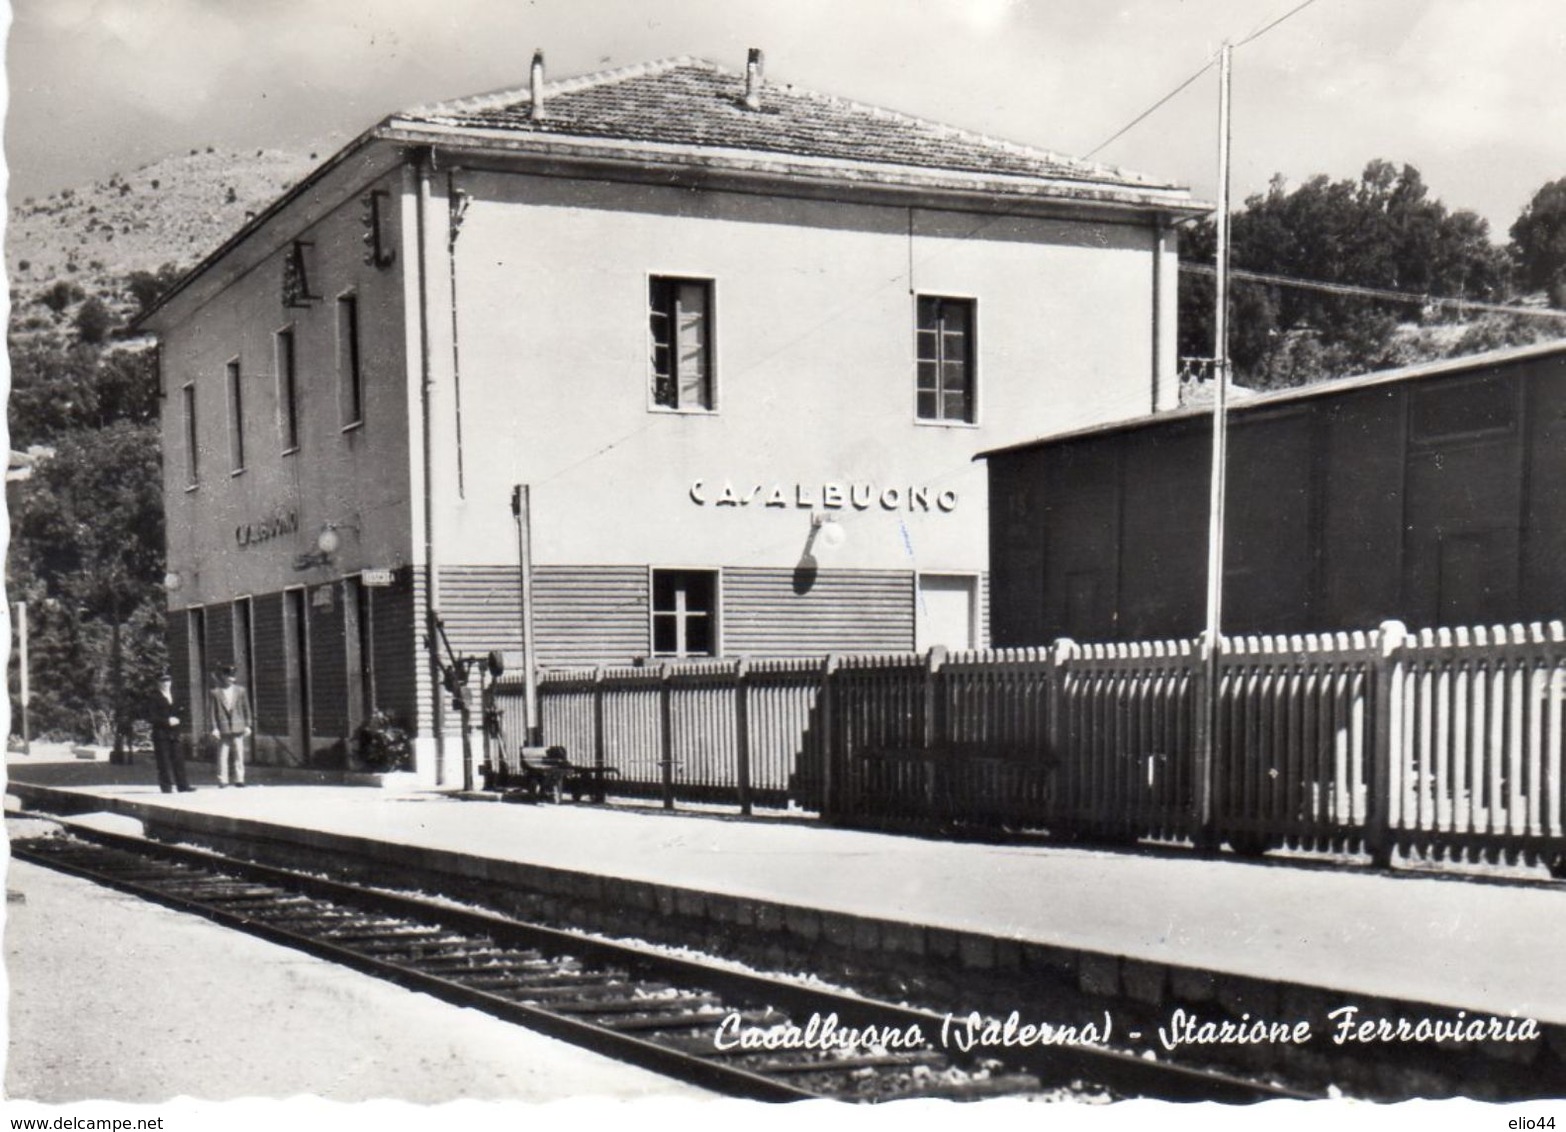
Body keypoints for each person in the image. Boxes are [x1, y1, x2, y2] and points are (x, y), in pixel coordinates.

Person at [146, 670, 195, 794]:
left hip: (175, 733)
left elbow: (183, 712)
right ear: (158, 682)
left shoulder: (176, 695)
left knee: (179, 759)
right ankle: (166, 786)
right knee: (163, 761)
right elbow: (151, 717)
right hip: (161, 733)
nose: (166, 683)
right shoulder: (153, 697)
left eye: (168, 680)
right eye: (163, 680)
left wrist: (179, 720)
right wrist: (167, 721)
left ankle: (183, 785)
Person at [208, 664, 253, 788]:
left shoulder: (240, 690)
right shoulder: (215, 692)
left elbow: (246, 708)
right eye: (228, 676)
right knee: (223, 754)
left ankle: (240, 779)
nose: (231, 679)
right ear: (223, 676)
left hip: (238, 726)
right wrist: (214, 728)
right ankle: (223, 780)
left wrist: (248, 725)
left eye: (233, 676)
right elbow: (212, 712)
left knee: (239, 753)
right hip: (223, 728)